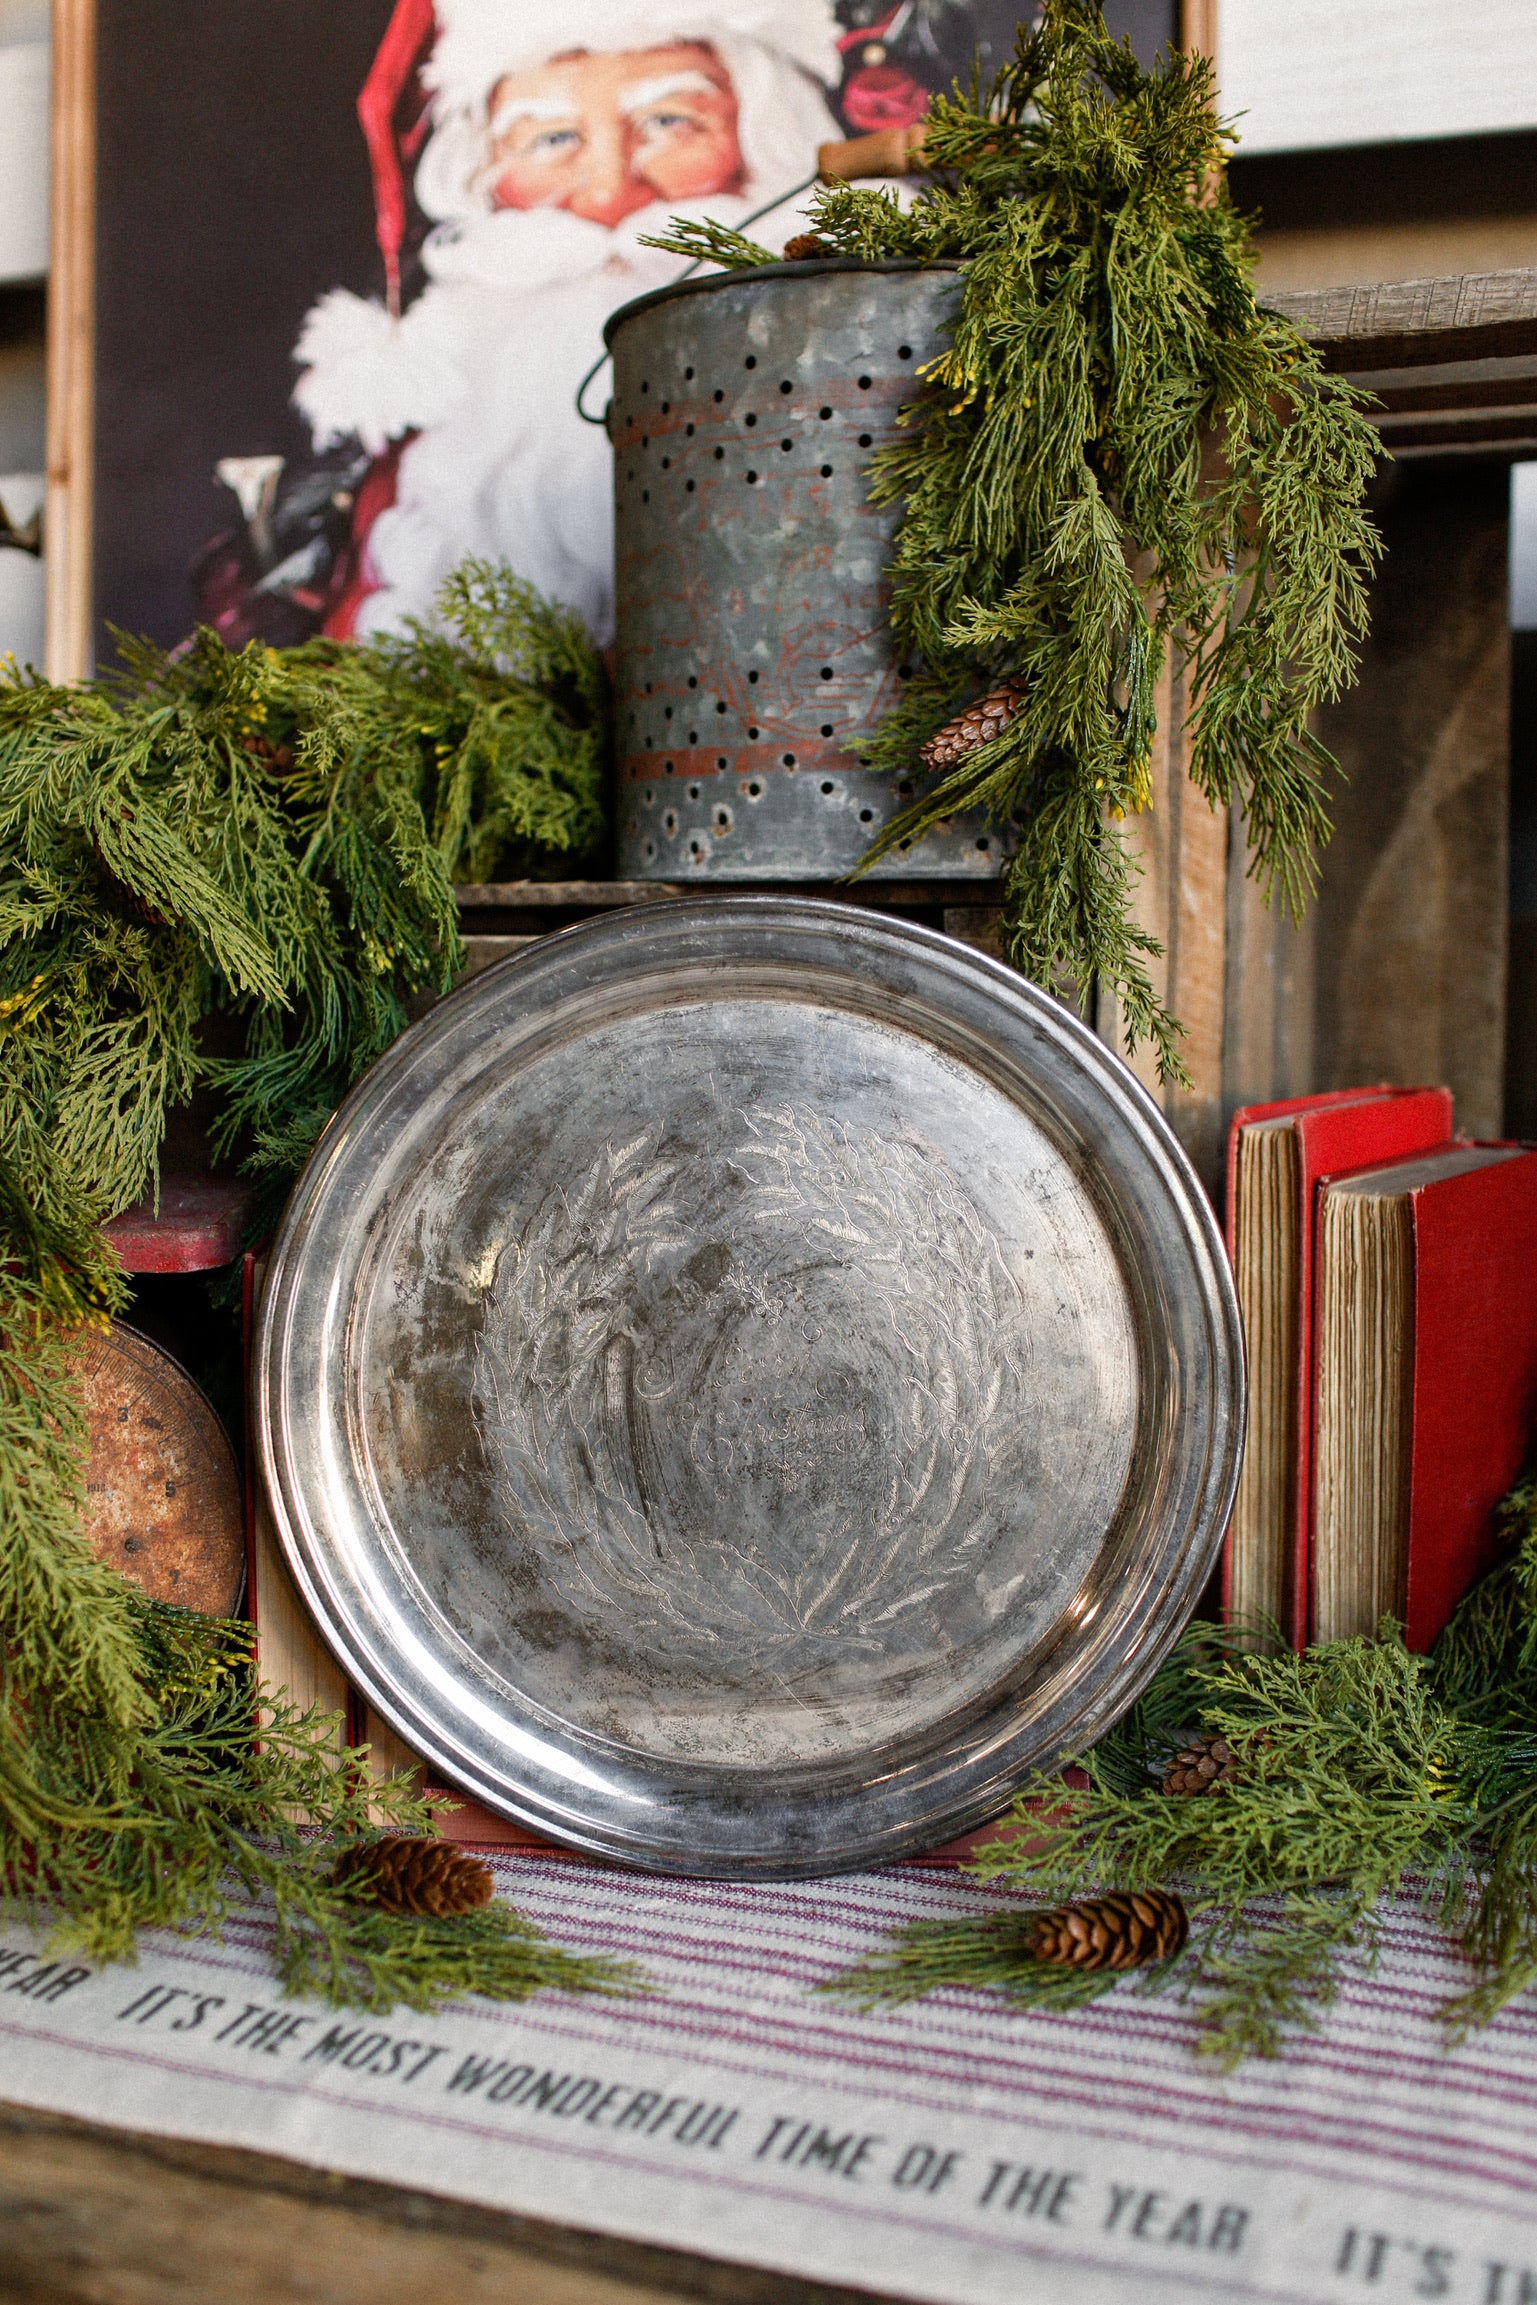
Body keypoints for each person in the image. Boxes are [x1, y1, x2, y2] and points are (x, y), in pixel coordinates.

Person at [289, 1, 843, 646]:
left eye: (669, 121)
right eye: (552, 138)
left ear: (766, 138)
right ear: (482, 170)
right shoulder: (410, 462)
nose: (608, 196)